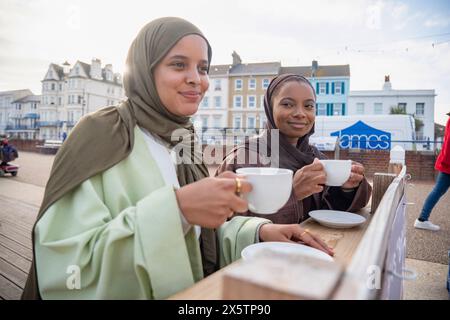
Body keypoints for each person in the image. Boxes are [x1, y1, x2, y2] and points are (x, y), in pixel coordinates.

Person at [22, 18, 332, 300]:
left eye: (203, 68)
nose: (196, 79)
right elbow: (66, 270)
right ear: (145, 69)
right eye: (179, 64)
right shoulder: (101, 132)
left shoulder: (183, 138)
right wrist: (177, 210)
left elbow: (196, 243)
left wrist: (257, 233)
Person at [216, 74, 372, 223]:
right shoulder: (243, 159)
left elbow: (331, 208)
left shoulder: (315, 157)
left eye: (309, 106)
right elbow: (225, 223)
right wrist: (293, 192)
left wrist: (348, 188)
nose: (300, 113)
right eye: (287, 104)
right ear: (270, 109)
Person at [414, 111, 450, 231]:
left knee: (437, 191)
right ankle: (422, 219)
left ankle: (422, 219)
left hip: (446, 164)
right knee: (437, 191)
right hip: (448, 165)